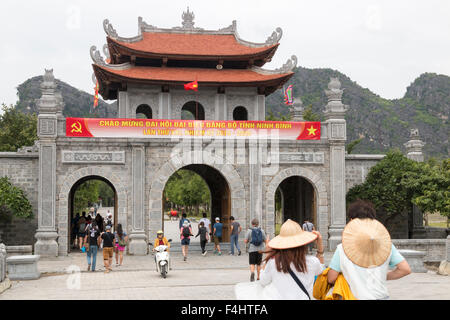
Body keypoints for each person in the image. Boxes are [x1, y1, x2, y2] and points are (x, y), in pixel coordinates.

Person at [327, 199, 411, 300]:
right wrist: (382, 276)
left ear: (351, 221)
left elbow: (331, 278)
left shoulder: (342, 248)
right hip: (381, 297)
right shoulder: (386, 245)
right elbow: (405, 269)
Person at [235, 219, 324, 300]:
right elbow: (321, 270)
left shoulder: (274, 262)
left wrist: (268, 255)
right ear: (303, 243)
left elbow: (263, 281)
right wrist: (320, 247)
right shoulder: (312, 262)